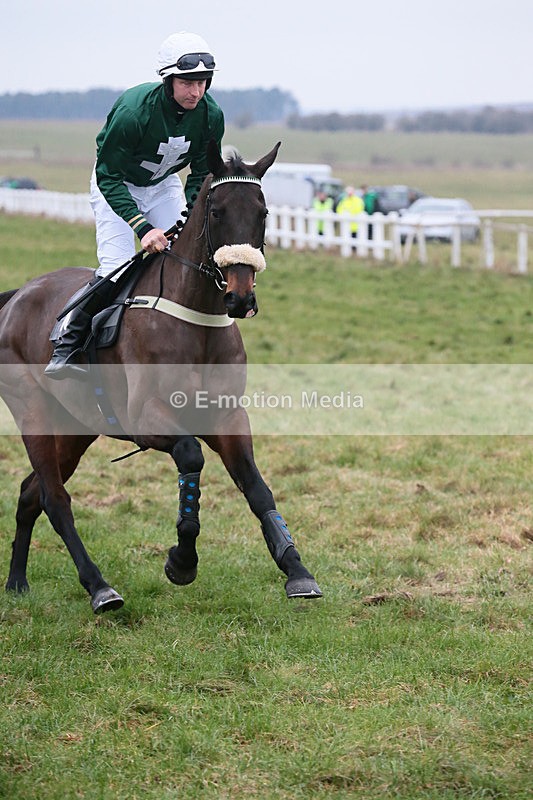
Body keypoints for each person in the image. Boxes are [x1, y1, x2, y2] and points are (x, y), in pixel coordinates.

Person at [45, 31, 224, 379]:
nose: (196, 92)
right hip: (116, 185)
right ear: (168, 79)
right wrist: (143, 228)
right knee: (117, 264)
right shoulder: (133, 111)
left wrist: (188, 217)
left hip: (162, 186)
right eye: (188, 83)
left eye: (203, 82)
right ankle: (67, 342)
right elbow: (107, 175)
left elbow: (202, 171)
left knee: (188, 253)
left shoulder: (211, 115)